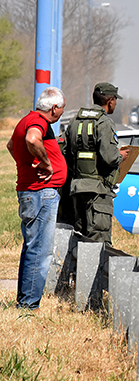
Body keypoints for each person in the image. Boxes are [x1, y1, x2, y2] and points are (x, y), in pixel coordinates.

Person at [7, 87, 67, 309]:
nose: (61, 112)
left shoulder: (26, 119)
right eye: (62, 108)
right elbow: (32, 140)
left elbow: (12, 146)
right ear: (54, 108)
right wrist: (46, 163)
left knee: (32, 246)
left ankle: (25, 301)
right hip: (41, 193)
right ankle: (29, 305)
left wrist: (26, 166)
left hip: (31, 191)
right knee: (40, 249)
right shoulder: (39, 122)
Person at [63, 82, 129, 245]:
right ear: (111, 100)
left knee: (79, 238)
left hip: (77, 188)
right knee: (98, 240)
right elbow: (110, 158)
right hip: (98, 191)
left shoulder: (75, 120)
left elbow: (66, 154)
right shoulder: (104, 122)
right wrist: (121, 155)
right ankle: (93, 271)